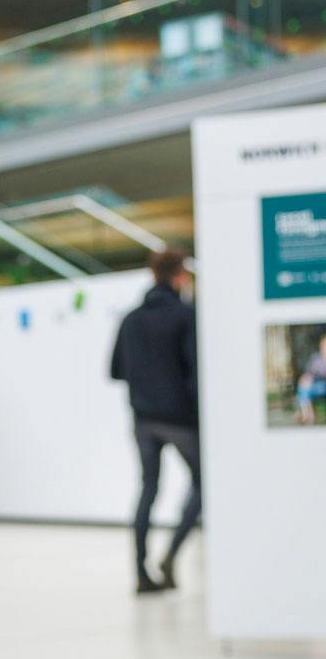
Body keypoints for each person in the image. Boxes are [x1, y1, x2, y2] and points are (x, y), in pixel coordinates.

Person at [110, 248, 199, 593]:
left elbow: (115, 370)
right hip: (180, 420)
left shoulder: (131, 319)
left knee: (148, 489)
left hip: (143, 419)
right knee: (203, 483)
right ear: (179, 276)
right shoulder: (185, 315)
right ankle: (172, 554)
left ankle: (141, 572)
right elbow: (196, 371)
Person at [298, 334, 326, 426]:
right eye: (323, 345)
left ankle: (306, 415)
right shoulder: (315, 358)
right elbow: (309, 373)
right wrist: (306, 378)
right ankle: (308, 415)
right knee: (303, 386)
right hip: (317, 386)